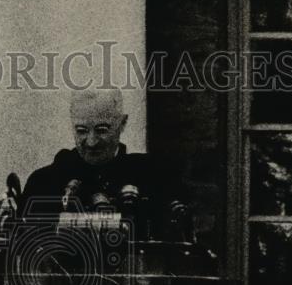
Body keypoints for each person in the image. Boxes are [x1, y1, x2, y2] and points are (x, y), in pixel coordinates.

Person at [18, 88, 185, 238]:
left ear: (123, 123)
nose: (91, 142)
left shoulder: (153, 177)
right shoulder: (44, 182)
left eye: (101, 130)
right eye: (81, 131)